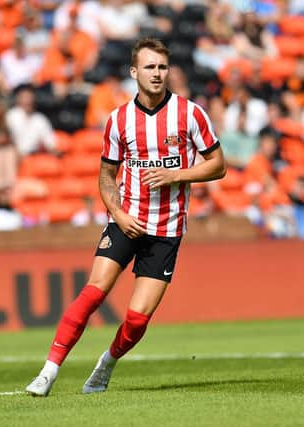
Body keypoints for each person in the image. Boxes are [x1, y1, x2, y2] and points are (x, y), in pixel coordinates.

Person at [24, 37, 226, 397]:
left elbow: (218, 165)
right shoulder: (119, 120)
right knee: (93, 292)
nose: (157, 74)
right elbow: (105, 176)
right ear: (134, 72)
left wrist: (176, 174)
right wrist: (117, 212)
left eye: (162, 67)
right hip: (125, 221)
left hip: (166, 229)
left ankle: (107, 363)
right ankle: (48, 372)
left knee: (136, 320)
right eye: (149, 67)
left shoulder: (190, 114)